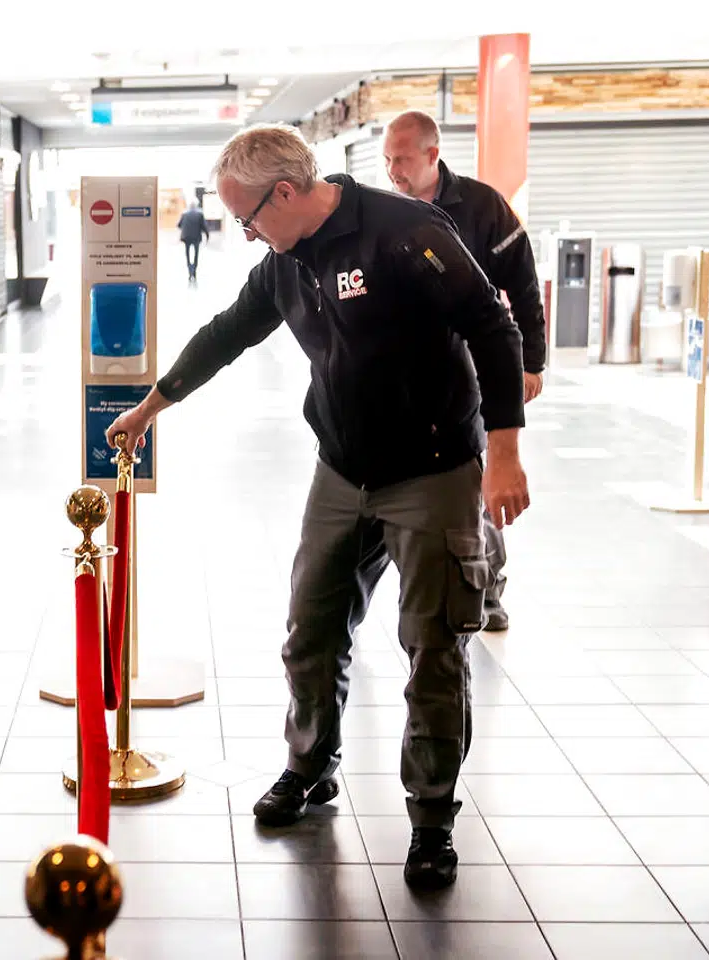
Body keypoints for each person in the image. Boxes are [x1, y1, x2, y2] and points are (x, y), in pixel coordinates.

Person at [105, 123, 529, 889]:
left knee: (432, 646)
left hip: (432, 469)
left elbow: (492, 329)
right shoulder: (284, 262)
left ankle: (431, 818)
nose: (246, 233)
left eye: (249, 217)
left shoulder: (405, 233)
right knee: (312, 629)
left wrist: (503, 454)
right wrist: (150, 407)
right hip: (341, 469)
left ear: (290, 193)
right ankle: (310, 767)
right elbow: (227, 333)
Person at [383, 110, 547, 632]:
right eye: (387, 160)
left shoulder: (482, 208)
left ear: (432, 154)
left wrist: (532, 362)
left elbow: (523, 285)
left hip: (472, 371)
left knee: (472, 479)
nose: (393, 171)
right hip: (403, 380)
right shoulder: (384, 209)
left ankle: (488, 588)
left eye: (403, 160)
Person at [178, 201, 209, 281]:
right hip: (196, 237)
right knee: (196, 255)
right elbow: (204, 227)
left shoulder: (184, 214)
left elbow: (179, 225)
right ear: (196, 206)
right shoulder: (199, 214)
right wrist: (207, 236)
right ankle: (194, 272)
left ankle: (189, 271)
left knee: (187, 254)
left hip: (186, 237)